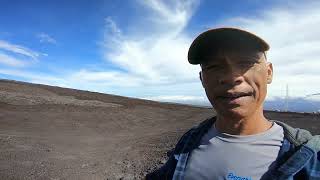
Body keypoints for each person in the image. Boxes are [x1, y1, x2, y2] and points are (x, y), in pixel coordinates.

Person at [146, 27, 320, 180]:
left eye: (246, 63)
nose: (231, 77)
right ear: (202, 79)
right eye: (214, 67)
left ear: (269, 73)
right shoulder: (190, 140)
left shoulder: (308, 158)